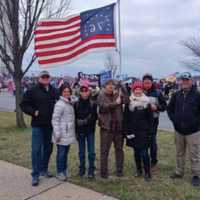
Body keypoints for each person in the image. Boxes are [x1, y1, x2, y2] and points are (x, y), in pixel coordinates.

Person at [20, 71, 58, 186]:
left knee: (48, 149)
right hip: (37, 125)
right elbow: (23, 104)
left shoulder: (54, 91)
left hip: (50, 125)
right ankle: (35, 175)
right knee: (36, 150)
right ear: (39, 78)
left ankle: (43, 169)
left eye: (47, 76)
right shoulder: (32, 90)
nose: (46, 78)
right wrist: (33, 112)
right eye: (43, 76)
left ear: (50, 78)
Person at [167, 72, 200, 187]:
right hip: (178, 130)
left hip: (193, 131)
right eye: (183, 80)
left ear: (191, 81)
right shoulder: (176, 95)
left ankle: (196, 175)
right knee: (180, 152)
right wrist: (174, 120)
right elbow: (169, 109)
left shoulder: (197, 95)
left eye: (187, 80)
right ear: (180, 82)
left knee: (194, 154)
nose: (184, 82)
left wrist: (196, 123)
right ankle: (179, 171)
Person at [124, 81, 153, 181]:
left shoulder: (146, 102)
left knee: (144, 153)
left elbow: (150, 118)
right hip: (133, 131)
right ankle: (139, 170)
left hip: (144, 131)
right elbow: (126, 118)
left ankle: (147, 172)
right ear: (133, 90)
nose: (138, 91)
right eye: (136, 89)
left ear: (142, 90)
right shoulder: (129, 102)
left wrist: (150, 131)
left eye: (140, 89)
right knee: (136, 152)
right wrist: (127, 131)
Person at [97, 79, 124, 179]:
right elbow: (103, 107)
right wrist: (116, 103)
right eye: (108, 85)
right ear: (105, 87)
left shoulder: (118, 94)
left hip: (118, 128)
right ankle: (104, 173)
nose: (111, 86)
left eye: (112, 85)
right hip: (106, 128)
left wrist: (122, 86)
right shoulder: (101, 96)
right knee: (104, 151)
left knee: (119, 150)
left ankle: (119, 171)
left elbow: (126, 100)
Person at [52, 84, 77, 181]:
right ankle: (59, 172)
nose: (67, 93)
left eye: (68, 91)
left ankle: (64, 169)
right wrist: (57, 133)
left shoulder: (69, 102)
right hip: (61, 134)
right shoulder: (60, 104)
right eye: (64, 92)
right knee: (61, 153)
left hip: (68, 133)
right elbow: (55, 119)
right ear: (61, 93)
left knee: (65, 153)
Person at [142, 74, 166, 171]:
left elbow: (164, 106)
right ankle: (144, 160)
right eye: (145, 83)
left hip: (153, 120)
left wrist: (157, 108)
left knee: (152, 141)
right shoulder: (139, 92)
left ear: (152, 83)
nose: (147, 85)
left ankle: (154, 161)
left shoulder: (157, 93)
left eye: (148, 83)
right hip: (142, 121)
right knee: (143, 141)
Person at [74, 84, 97, 178]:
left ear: (89, 92)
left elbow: (94, 117)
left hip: (90, 130)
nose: (84, 93)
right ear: (80, 92)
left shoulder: (93, 104)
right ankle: (82, 168)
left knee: (91, 152)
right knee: (81, 152)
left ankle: (91, 169)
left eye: (86, 91)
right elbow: (74, 117)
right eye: (82, 91)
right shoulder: (76, 104)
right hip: (80, 131)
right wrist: (77, 122)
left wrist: (84, 121)